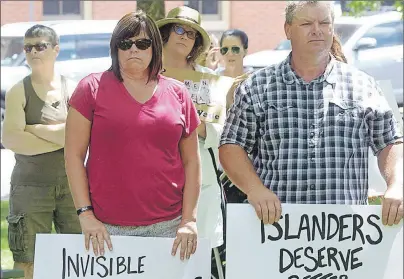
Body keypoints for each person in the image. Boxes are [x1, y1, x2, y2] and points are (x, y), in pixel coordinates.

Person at [219, 0, 403, 226]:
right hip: (275, 232)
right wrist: (254, 188)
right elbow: (231, 146)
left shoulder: (363, 86)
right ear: (288, 30)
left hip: (345, 236)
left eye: (324, 23)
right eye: (306, 23)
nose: (317, 30)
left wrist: (397, 184)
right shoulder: (257, 87)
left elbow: (391, 142)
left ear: (332, 28)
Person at [65, 11, 201, 261]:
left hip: (169, 229)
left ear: (154, 48)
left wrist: (189, 220)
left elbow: (192, 161)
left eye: (143, 43)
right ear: (115, 49)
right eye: (125, 44)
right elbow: (73, 155)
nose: (133, 50)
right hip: (105, 229)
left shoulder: (179, 93)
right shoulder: (90, 89)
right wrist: (85, 214)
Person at [1, 24, 81, 279]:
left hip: (71, 186)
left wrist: (33, 129)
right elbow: (13, 140)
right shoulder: (18, 90)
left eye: (40, 45)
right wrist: (60, 135)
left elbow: (78, 136)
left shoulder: (71, 89)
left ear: (55, 49)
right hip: (29, 188)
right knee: (26, 265)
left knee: (77, 262)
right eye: (28, 47)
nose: (34, 51)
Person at [157, 6, 224, 251]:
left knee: (197, 261)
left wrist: (196, 122)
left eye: (192, 33)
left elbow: (221, 132)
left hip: (202, 185)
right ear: (164, 33)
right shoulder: (145, 76)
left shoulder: (209, 79)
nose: (185, 36)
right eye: (179, 29)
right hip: (155, 186)